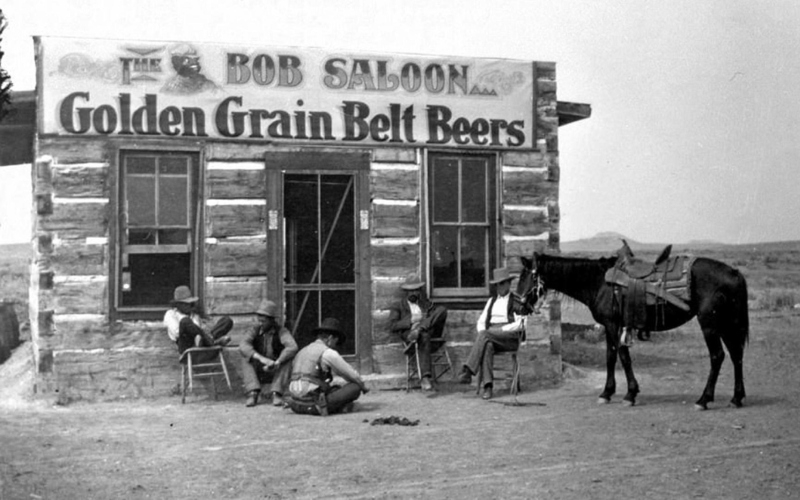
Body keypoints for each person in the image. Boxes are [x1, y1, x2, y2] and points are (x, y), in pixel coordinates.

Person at [458, 267, 527, 400]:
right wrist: (485, 334)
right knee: (487, 344)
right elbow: (481, 322)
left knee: (485, 336)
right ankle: (488, 387)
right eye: (496, 284)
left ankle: (468, 370)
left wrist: (501, 330)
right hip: (491, 336)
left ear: (508, 283)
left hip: (509, 336)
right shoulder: (491, 301)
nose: (499, 287)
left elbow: (522, 324)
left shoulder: (517, 301)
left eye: (501, 283)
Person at [287, 318, 369, 416]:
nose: (335, 345)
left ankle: (339, 407)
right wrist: (363, 386)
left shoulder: (302, 351)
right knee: (354, 388)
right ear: (330, 338)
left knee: (334, 388)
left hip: (295, 404)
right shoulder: (327, 352)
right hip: (312, 404)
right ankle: (339, 407)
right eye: (335, 341)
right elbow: (351, 375)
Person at [388, 276, 448, 391]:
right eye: (410, 290)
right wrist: (410, 321)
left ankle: (420, 328)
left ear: (419, 291)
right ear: (406, 292)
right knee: (423, 335)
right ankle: (425, 377)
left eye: (416, 290)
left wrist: (422, 323)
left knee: (442, 309)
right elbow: (392, 325)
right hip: (412, 337)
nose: (413, 293)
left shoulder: (426, 304)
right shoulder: (398, 306)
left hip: (431, 334)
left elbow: (436, 318)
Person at [239, 300, 298, 407]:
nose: (260, 324)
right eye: (259, 320)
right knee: (245, 357)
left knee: (288, 360)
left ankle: (277, 393)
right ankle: (253, 393)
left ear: (271, 320)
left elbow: (292, 346)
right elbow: (243, 345)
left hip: (276, 367)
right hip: (258, 367)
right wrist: (261, 359)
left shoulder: (281, 331)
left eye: (264, 321)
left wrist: (278, 361)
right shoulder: (254, 330)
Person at [163, 285, 233, 357]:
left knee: (227, 321)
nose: (188, 306)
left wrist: (203, 331)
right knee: (185, 321)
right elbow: (176, 333)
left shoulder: (194, 315)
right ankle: (211, 342)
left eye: (189, 303)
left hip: (201, 340)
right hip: (186, 344)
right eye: (185, 304)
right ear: (178, 305)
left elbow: (201, 329)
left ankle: (210, 342)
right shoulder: (171, 314)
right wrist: (191, 326)